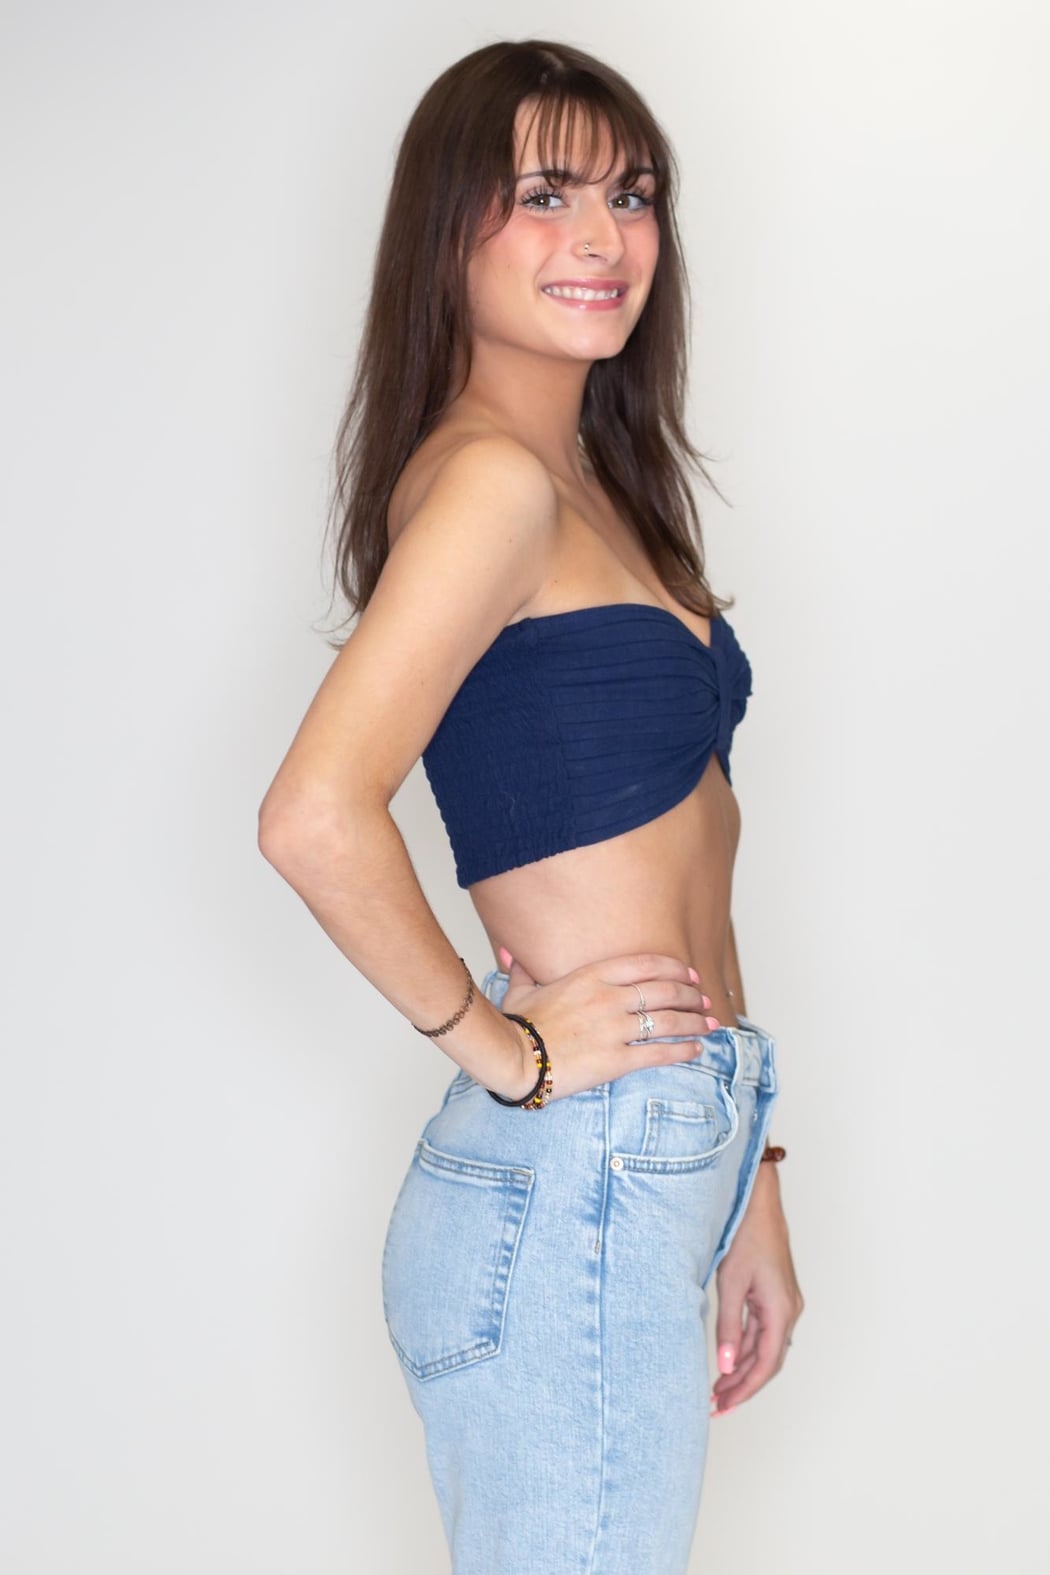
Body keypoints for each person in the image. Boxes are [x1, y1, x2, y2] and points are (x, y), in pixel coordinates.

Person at [258, 37, 803, 1575]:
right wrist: (503, 1048)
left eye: (631, 196)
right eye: (545, 194)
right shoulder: (490, 487)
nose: (602, 238)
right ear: (449, 230)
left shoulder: (601, 495)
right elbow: (313, 815)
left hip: (655, 1151)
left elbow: (701, 860)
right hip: (583, 1167)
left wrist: (751, 1186)